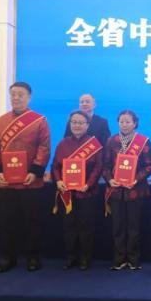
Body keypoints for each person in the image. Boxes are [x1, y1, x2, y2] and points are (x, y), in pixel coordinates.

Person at [0, 82, 51, 273]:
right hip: (6, 182)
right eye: (13, 94)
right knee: (7, 222)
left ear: (29, 97)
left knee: (32, 222)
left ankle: (33, 258)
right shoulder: (0, 121)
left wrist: (35, 171)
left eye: (20, 94)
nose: (16, 98)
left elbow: (44, 147)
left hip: (30, 182)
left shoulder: (39, 120)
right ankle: (8, 258)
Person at [51, 110, 103, 271]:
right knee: (69, 227)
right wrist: (58, 181)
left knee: (86, 227)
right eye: (74, 122)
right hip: (67, 193)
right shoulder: (62, 144)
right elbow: (55, 166)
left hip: (87, 192)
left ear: (87, 125)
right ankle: (70, 257)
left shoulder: (94, 144)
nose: (77, 125)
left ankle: (85, 258)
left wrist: (88, 184)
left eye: (80, 122)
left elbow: (98, 167)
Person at [103, 110, 151, 271]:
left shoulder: (143, 141)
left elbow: (149, 165)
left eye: (128, 122)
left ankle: (133, 259)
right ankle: (119, 259)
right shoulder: (111, 141)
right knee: (118, 227)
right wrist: (109, 179)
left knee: (134, 227)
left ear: (135, 123)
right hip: (116, 190)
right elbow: (105, 165)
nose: (124, 125)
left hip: (136, 190)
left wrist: (136, 179)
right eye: (121, 121)